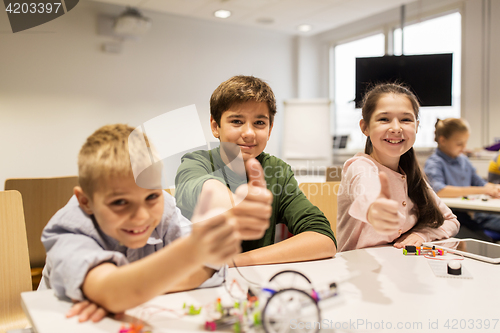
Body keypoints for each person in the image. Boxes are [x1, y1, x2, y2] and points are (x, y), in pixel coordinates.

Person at [39, 124, 270, 323]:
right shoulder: (69, 228)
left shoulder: (163, 208)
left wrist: (123, 292)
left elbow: (210, 268)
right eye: (120, 202)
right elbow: (116, 293)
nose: (141, 216)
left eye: (151, 196)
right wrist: (192, 252)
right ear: (85, 201)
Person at [175, 75, 336, 266]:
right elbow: (198, 187)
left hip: (252, 279)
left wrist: (234, 262)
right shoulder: (196, 163)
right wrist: (232, 204)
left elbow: (323, 238)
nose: (249, 133)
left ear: (270, 129)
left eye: (259, 123)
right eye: (236, 121)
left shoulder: (278, 171)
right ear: (215, 126)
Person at [337, 83, 459, 252]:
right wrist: (375, 210)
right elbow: (367, 193)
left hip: (401, 268)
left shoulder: (412, 176)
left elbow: (451, 221)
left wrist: (422, 235)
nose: (396, 128)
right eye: (384, 119)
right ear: (365, 127)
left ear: (416, 126)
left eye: (406, 120)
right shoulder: (360, 167)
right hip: (360, 272)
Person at [424, 118, 500, 232]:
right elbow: (439, 191)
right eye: (459, 144)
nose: (464, 147)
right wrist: (482, 190)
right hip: (449, 218)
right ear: (443, 140)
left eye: (465, 142)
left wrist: (493, 188)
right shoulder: (434, 163)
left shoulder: (463, 160)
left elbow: (480, 183)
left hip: (473, 215)